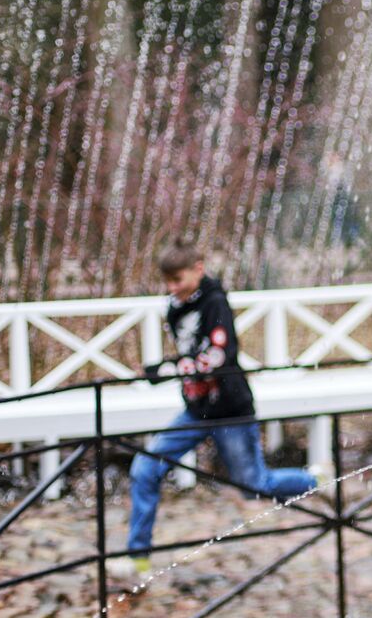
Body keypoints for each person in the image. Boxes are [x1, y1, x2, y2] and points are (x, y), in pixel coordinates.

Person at [107, 241, 319, 582]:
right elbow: (188, 354)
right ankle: (139, 558)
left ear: (198, 269)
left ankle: (315, 480)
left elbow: (218, 355)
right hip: (196, 411)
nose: (172, 288)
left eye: (178, 279)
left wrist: (168, 370)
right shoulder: (175, 308)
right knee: (145, 468)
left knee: (255, 485)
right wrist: (163, 369)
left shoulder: (216, 303)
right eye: (168, 281)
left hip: (231, 410)